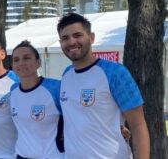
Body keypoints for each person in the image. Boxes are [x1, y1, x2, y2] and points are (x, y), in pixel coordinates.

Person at [57, 13, 149, 158]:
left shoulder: (115, 73)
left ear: (91, 37)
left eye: (77, 35)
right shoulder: (66, 75)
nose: (71, 42)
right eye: (65, 38)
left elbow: (138, 126)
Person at [9, 40, 63, 159]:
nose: (21, 63)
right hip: (21, 155)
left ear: (38, 62)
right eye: (16, 60)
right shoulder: (13, 91)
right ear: (12, 66)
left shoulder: (56, 88)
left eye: (27, 58)